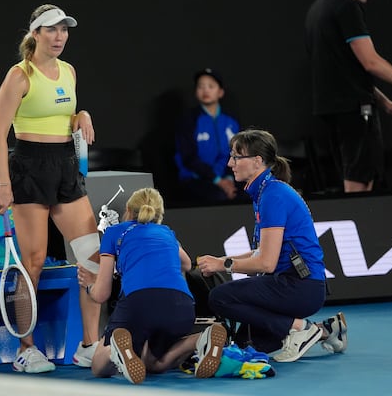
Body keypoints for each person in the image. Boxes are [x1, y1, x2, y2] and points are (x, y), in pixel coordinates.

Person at [0, 4, 101, 373]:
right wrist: (4, 184)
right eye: (51, 30)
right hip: (29, 169)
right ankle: (26, 349)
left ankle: (89, 345)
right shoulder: (19, 76)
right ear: (35, 34)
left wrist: (80, 116)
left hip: (66, 168)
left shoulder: (68, 71)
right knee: (33, 263)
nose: (59, 37)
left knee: (93, 258)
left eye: (64, 30)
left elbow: (61, 116)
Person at [197, 128, 347, 363]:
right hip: (293, 284)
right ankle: (326, 330)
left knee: (220, 298)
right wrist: (221, 261)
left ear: (257, 161)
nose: (229, 163)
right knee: (247, 343)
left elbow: (266, 263)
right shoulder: (266, 191)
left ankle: (301, 328)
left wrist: (222, 265)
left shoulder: (273, 195)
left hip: (299, 287)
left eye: (236, 157)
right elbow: (261, 252)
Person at [77, 187, 228, 384]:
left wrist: (89, 284)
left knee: (98, 366)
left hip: (139, 305)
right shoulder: (167, 233)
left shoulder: (114, 232)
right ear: (159, 215)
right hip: (182, 307)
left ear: (128, 210)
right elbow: (188, 264)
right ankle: (201, 339)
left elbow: (102, 294)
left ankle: (116, 351)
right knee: (154, 365)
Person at [305, 0, 392, 193]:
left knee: (354, 179)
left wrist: (386, 104)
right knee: (359, 185)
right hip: (354, 110)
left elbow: (345, 70)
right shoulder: (347, 7)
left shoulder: (320, 7)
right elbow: (371, 62)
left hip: (336, 110)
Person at [174, 68, 243, 203]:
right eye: (201, 86)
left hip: (228, 177)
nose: (205, 90)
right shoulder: (188, 120)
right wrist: (217, 180)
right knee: (218, 196)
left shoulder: (231, 122)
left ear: (220, 92)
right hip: (196, 178)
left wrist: (228, 179)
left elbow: (238, 154)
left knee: (252, 193)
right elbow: (189, 157)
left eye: (210, 86)